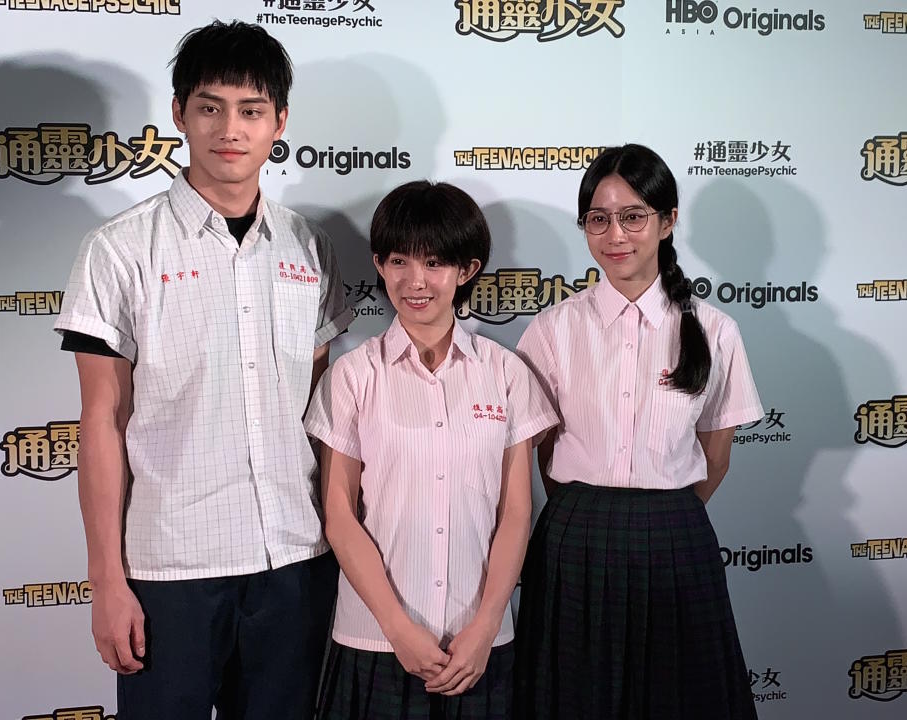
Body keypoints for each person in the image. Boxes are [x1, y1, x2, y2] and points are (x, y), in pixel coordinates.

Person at [53, 20, 351, 719]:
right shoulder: (119, 250)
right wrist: (106, 581)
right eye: (210, 107)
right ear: (180, 112)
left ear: (280, 121)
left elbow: (319, 414)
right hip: (171, 568)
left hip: (296, 560)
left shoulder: (311, 248)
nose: (230, 129)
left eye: (251, 111)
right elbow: (101, 422)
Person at [513, 144, 764, 719]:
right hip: (575, 534)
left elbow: (716, 455)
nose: (615, 234)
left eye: (633, 216)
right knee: (574, 697)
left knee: (680, 699)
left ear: (668, 221)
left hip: (677, 534)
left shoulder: (715, 330)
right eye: (598, 219)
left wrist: (663, 512)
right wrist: (589, 508)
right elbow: (541, 448)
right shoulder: (552, 329)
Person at [305, 181, 558, 720]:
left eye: (435, 263)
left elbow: (515, 511)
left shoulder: (506, 372)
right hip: (374, 638)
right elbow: (340, 515)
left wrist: (488, 623)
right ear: (378, 263)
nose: (415, 282)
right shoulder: (354, 376)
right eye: (399, 261)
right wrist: (399, 630)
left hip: (480, 644)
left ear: (466, 270)